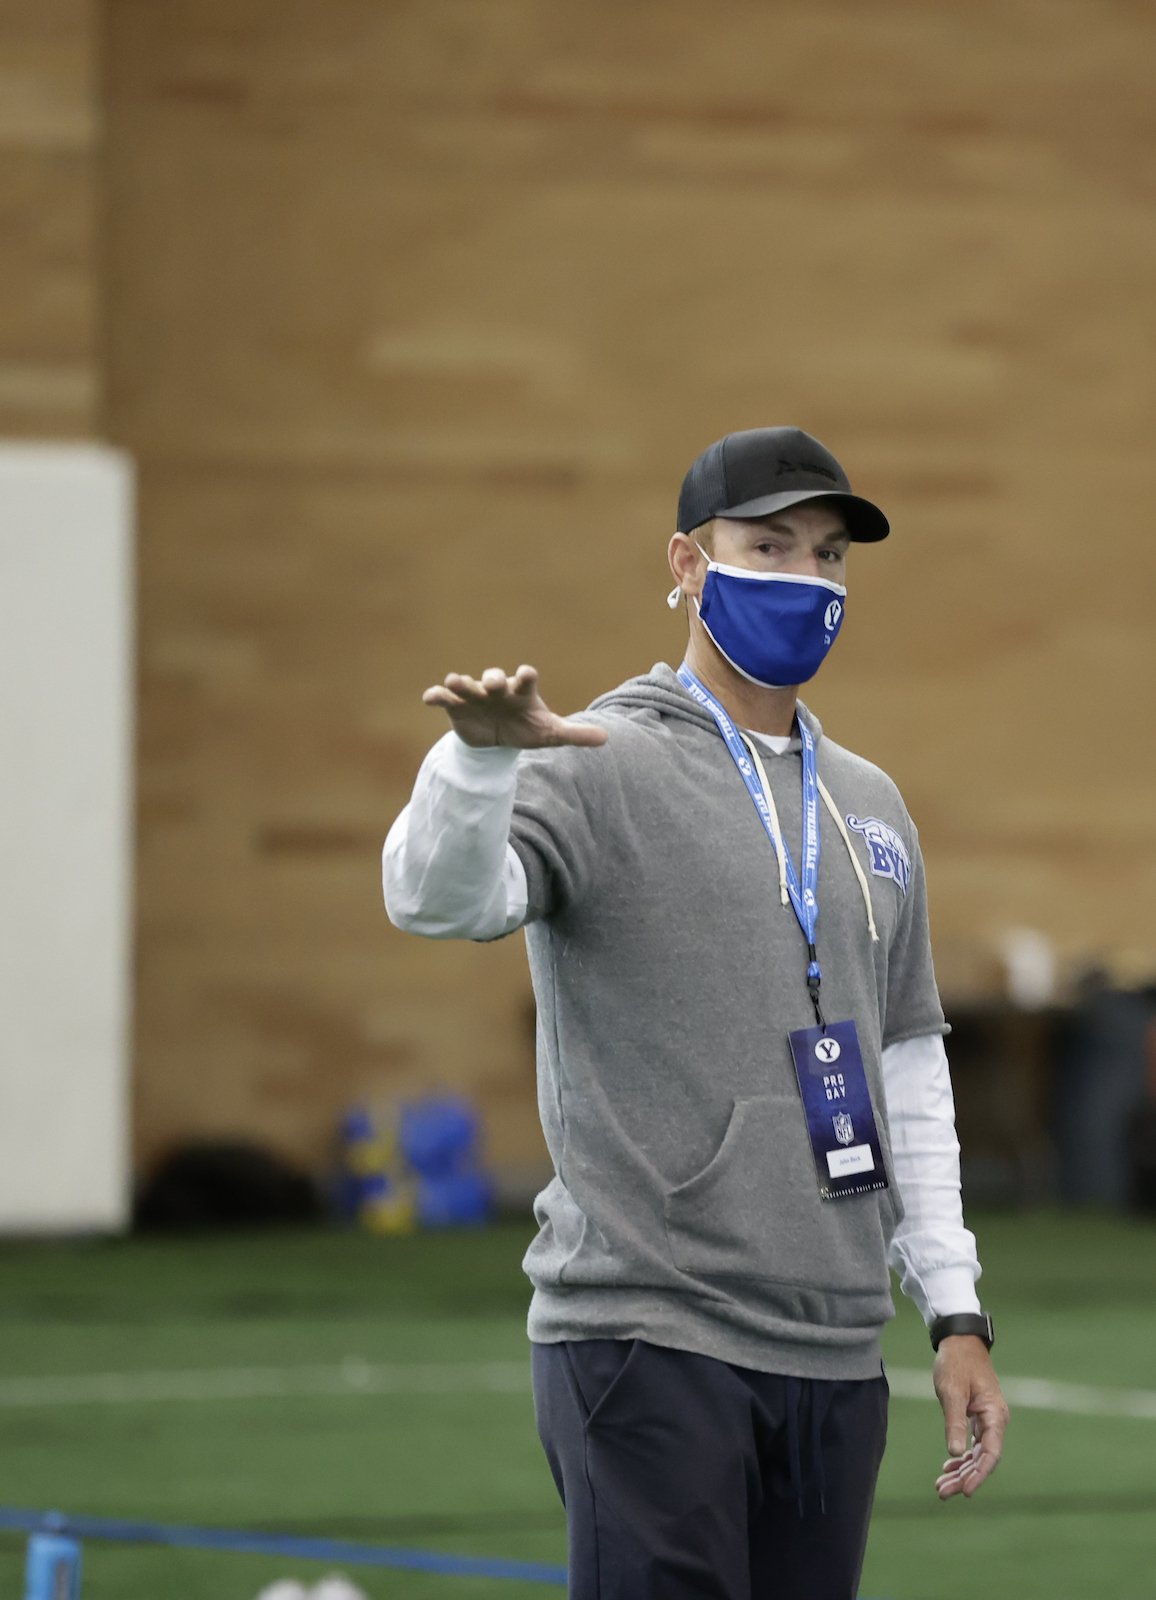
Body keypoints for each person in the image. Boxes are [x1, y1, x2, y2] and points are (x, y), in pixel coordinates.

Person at [381, 426, 1006, 1600]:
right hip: (645, 1329)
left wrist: (955, 1310)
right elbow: (438, 902)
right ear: (684, 561)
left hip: (833, 1349)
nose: (807, 580)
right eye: (767, 546)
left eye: (828, 555)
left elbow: (909, 1072)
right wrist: (471, 768)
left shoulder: (871, 803)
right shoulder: (598, 755)